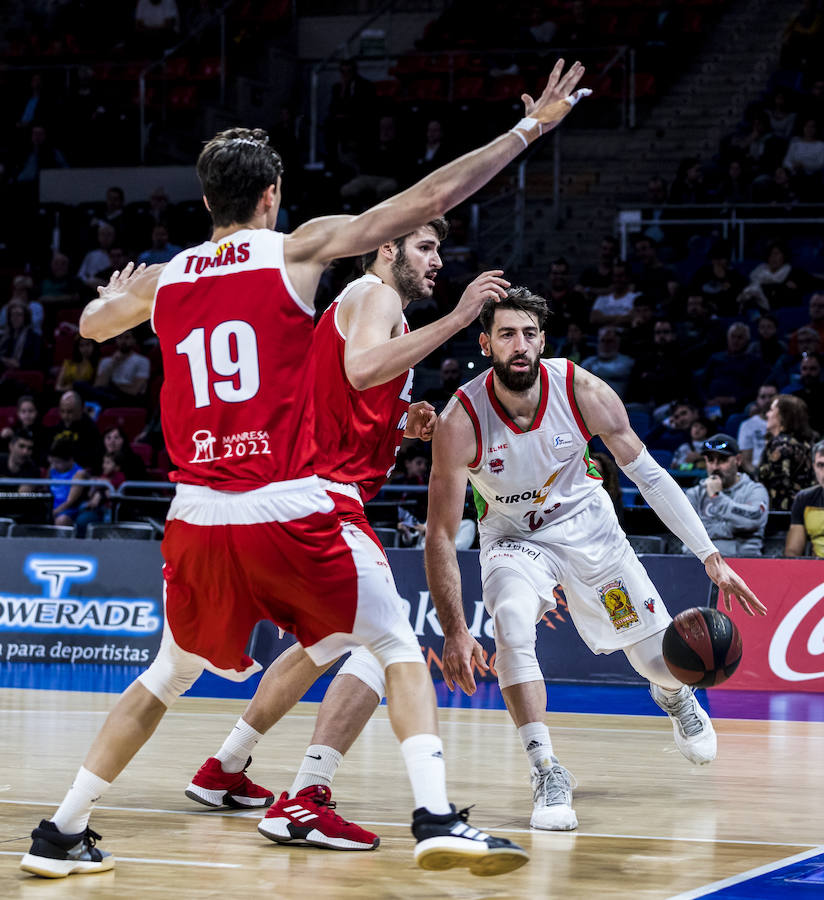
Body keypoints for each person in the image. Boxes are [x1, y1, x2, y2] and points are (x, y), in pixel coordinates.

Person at [21, 60, 592, 879]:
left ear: (206, 200)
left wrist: (119, 293)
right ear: (271, 195)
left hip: (196, 513)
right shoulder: (296, 249)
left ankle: (62, 829)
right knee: (392, 639)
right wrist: (528, 129)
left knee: (167, 673)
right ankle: (434, 816)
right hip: (284, 500)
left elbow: (91, 323)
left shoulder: (171, 277)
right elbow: (428, 198)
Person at [186, 232, 508, 849]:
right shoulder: (374, 295)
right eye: (425, 247)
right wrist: (461, 317)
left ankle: (224, 768)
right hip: (322, 496)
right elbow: (361, 370)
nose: (438, 260)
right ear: (387, 249)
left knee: (325, 642)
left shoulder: (371, 310)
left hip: (296, 492)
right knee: (385, 645)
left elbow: (348, 392)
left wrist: (401, 422)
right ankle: (306, 799)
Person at [421, 288, 765, 832]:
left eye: (529, 334)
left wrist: (710, 555)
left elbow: (649, 475)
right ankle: (546, 769)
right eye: (507, 334)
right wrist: (455, 629)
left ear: (542, 341)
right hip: (514, 539)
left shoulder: (581, 390)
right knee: (510, 621)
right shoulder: (461, 419)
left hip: (589, 529)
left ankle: (674, 694)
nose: (520, 345)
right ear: (486, 344)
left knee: (655, 662)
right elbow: (440, 535)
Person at [682, 434, 769, 557]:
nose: (715, 467)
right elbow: (687, 533)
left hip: (744, 563)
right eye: (710, 460)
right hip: (698, 564)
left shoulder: (755, 490)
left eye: (722, 460)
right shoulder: (695, 494)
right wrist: (733, 528)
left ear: (738, 460)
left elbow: (751, 521)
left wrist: (717, 497)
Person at [758, 393, 814, 511]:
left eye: (771, 410)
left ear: (783, 416)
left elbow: (779, 490)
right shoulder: (802, 443)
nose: (767, 414)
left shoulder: (781, 445)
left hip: (784, 515)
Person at [785, 439, 824, 557]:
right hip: (816, 566)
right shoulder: (804, 499)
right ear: (813, 467)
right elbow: (792, 552)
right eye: (821, 465)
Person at [91, 329, 151, 406]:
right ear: (116, 340)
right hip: (106, 395)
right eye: (120, 337)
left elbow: (135, 390)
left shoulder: (142, 361)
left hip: (128, 399)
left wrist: (113, 385)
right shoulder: (106, 361)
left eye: (127, 337)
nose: (123, 341)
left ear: (134, 340)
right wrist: (113, 363)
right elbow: (98, 385)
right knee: (81, 386)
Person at [48, 389, 103, 470]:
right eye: (62, 411)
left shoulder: (90, 430)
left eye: (70, 412)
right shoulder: (58, 426)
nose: (65, 416)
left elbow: (92, 460)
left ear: (81, 410)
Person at [737, 383, 778, 474]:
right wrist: (758, 476)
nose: (767, 400)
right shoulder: (747, 425)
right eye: (763, 397)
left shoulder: (788, 422)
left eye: (771, 396)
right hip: (758, 472)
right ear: (757, 399)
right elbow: (746, 461)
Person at [47, 438, 88, 526]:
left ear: (70, 460)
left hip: (68, 511)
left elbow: (70, 502)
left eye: (58, 462)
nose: (54, 465)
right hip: (51, 508)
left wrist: (53, 513)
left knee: (61, 520)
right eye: (53, 461)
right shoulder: (52, 469)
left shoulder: (79, 474)